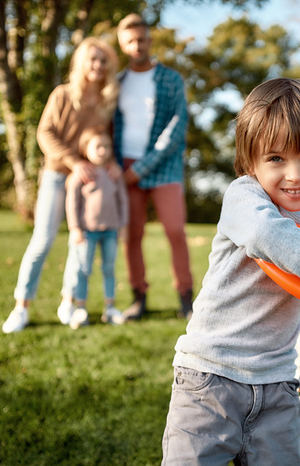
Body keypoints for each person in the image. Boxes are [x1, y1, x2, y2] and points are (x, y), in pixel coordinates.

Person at [161, 78, 300, 465]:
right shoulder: (243, 198)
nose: (295, 175)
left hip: (278, 387)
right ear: (250, 163)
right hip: (210, 380)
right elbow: (269, 234)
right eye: (276, 159)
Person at [2, 37, 120, 334]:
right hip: (58, 175)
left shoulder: (107, 103)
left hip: (88, 181)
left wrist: (109, 164)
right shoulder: (62, 94)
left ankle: (68, 303)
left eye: (103, 60)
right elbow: (45, 133)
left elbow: (102, 144)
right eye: (92, 59)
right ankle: (21, 307)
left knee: (77, 243)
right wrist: (72, 161)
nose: (98, 65)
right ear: (81, 63)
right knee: (42, 240)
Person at [113, 13, 193, 320]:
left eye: (141, 39)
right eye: (130, 41)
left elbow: (176, 127)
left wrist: (143, 167)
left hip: (163, 166)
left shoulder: (170, 79)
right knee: (132, 235)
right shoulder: (117, 82)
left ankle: (186, 299)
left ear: (150, 40)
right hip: (125, 167)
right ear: (122, 44)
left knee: (175, 230)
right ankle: (139, 297)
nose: (137, 45)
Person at [65, 126, 129, 329]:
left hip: (111, 230)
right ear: (86, 149)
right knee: (83, 270)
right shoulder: (82, 174)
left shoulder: (114, 173)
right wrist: (75, 228)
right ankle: (80, 308)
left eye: (107, 146)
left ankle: (110, 308)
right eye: (98, 146)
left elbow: (123, 201)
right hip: (86, 232)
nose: (103, 150)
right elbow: (72, 202)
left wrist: (123, 225)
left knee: (109, 269)